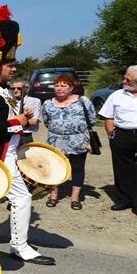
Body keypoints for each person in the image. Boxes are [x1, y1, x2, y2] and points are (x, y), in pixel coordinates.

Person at [0, 5, 54, 265]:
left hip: (7, 154)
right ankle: (19, 246)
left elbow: (7, 124)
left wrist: (22, 122)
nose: (14, 68)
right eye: (9, 64)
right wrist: (16, 122)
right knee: (18, 197)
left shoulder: (5, 90)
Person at [99, 65, 137, 219]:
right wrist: (111, 134)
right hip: (122, 135)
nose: (124, 80)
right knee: (122, 169)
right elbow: (108, 116)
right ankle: (124, 200)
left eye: (128, 79)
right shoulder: (117, 95)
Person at [40, 75, 95, 210]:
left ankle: (75, 198)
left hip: (78, 140)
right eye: (57, 85)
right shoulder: (48, 103)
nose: (59, 88)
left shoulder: (83, 101)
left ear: (71, 88)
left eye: (63, 85)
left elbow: (92, 118)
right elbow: (46, 121)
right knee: (54, 168)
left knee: (77, 167)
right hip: (55, 140)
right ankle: (53, 195)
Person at [10, 77, 41, 144]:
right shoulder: (8, 101)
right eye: (13, 88)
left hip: (25, 136)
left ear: (27, 89)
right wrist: (24, 120)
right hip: (10, 135)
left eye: (19, 88)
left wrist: (13, 120)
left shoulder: (35, 101)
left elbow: (34, 121)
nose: (15, 90)